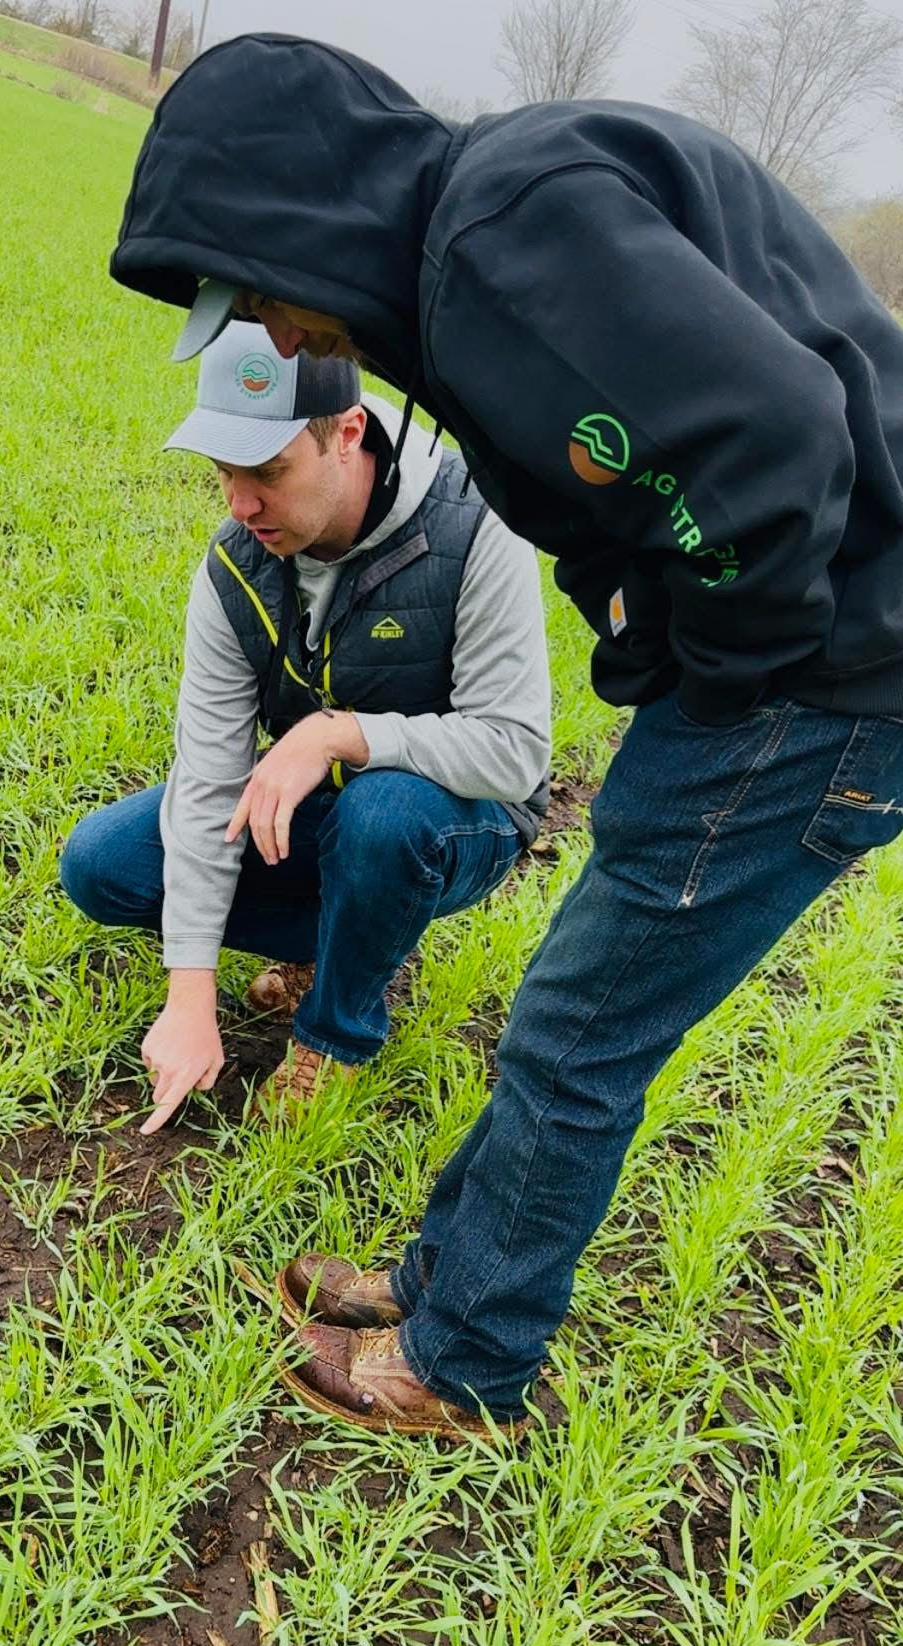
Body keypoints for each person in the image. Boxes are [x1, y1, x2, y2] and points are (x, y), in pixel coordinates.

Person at [108, 35, 903, 1440]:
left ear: (294, 208)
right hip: (806, 662)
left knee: (581, 1031)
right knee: (567, 1015)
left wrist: (713, 677)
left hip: (830, 678)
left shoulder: (503, 232)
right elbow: (656, 478)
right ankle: (439, 1281)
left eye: (256, 293)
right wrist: (655, 634)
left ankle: (465, 1360)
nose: (271, 339)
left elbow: (778, 450)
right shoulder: (476, 245)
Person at [59, 323, 550, 1127]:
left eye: (266, 473)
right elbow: (210, 780)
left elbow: (514, 753)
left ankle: (337, 1032)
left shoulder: (474, 526)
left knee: (383, 816)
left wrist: (338, 733)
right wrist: (191, 992)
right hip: (316, 813)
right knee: (102, 863)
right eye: (223, 473)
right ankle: (345, 933)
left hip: (455, 815)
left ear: (346, 434)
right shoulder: (232, 569)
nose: (241, 503)